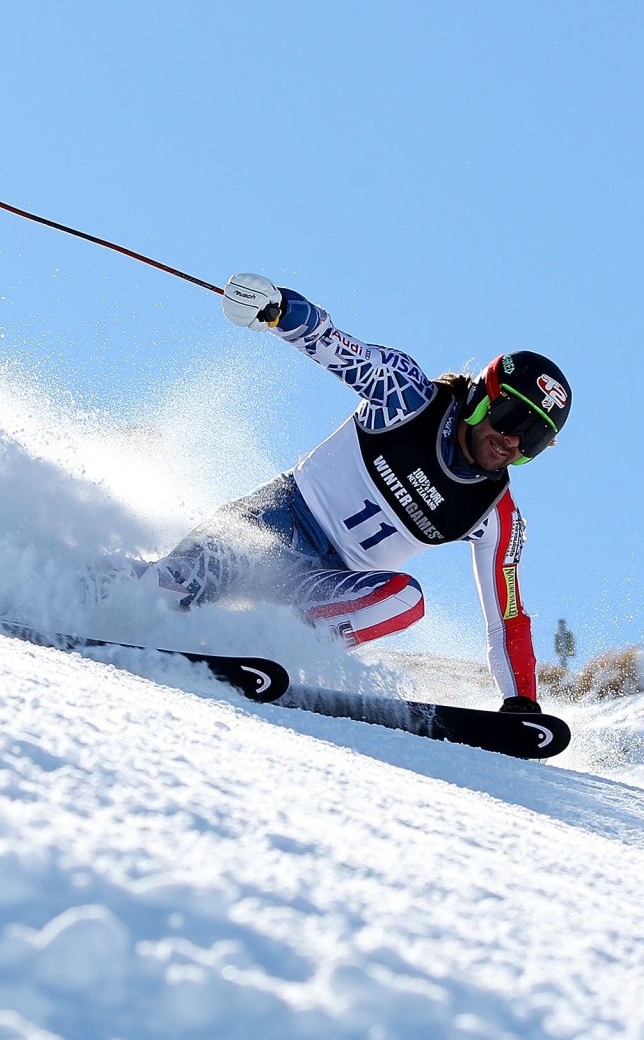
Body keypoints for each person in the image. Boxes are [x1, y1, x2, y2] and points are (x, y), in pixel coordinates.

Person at [149, 273, 571, 714]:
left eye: (535, 438)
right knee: (161, 590)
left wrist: (521, 701)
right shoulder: (406, 398)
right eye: (512, 418)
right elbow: (332, 343)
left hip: (324, 586)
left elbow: (507, 618)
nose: (513, 442)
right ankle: (103, 590)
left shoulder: (495, 514)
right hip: (272, 524)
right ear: (484, 398)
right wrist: (278, 309)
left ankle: (258, 644)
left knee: (406, 600)